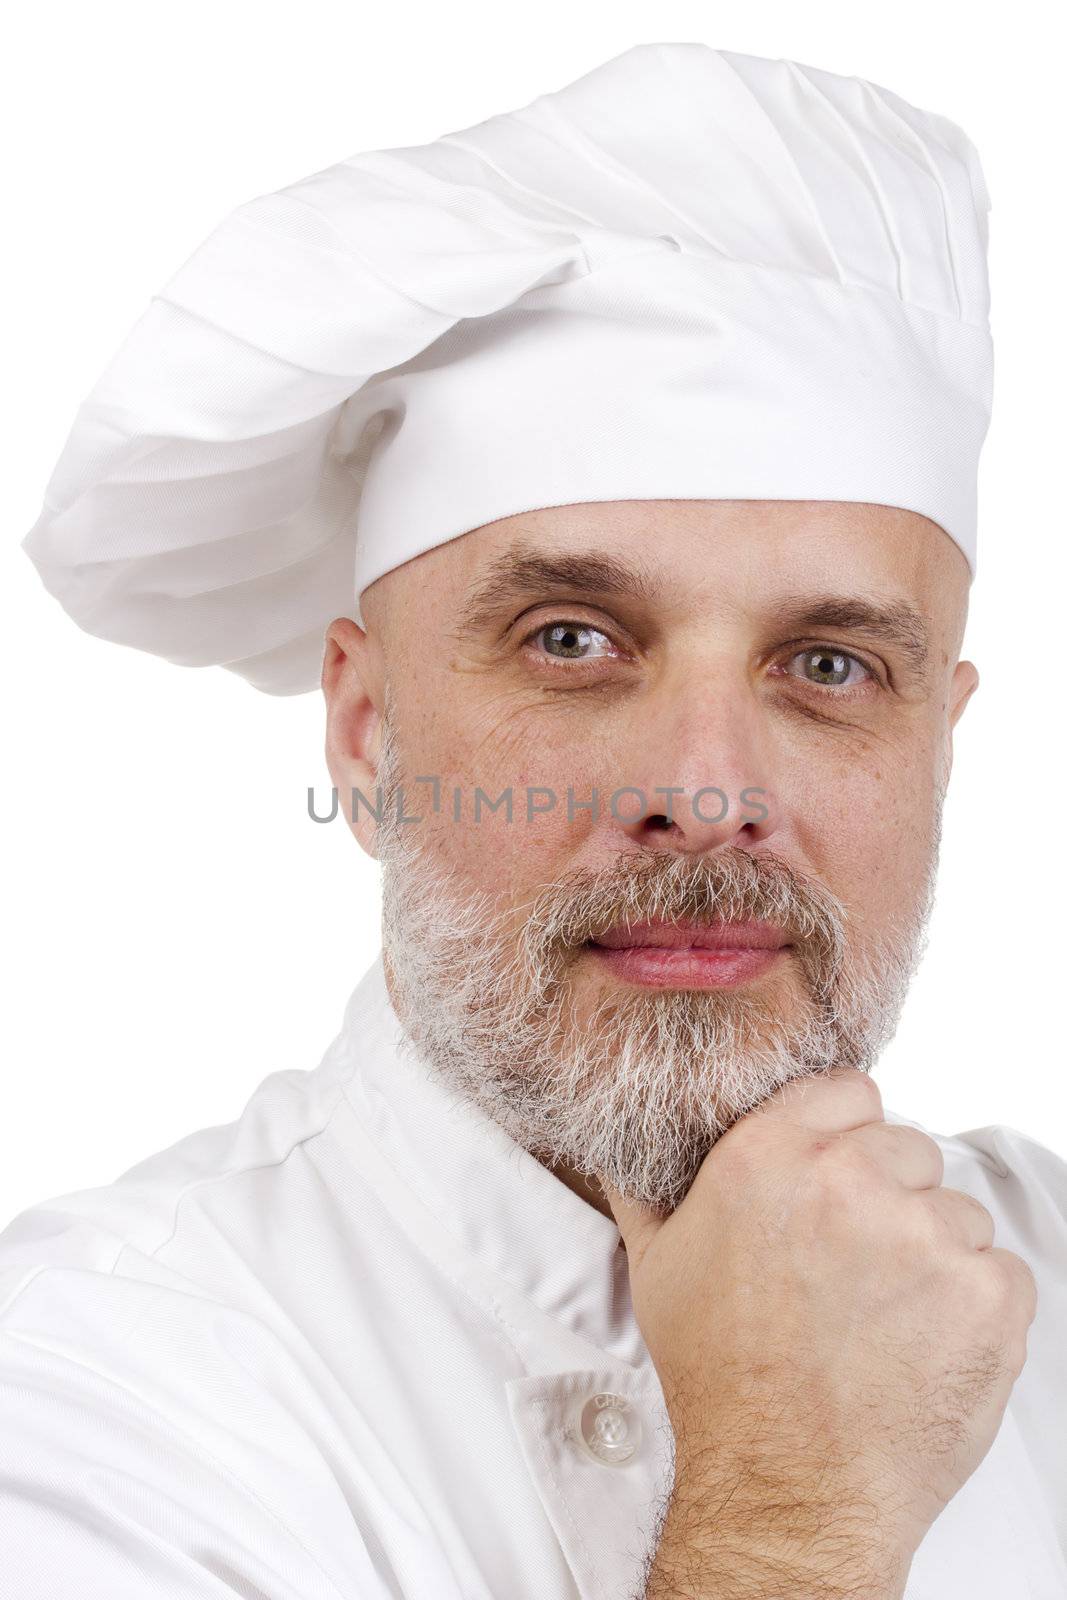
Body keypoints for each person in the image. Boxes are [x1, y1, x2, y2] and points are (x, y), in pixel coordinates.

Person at [4, 40, 1064, 1600]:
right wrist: (791, 1514)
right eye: (573, 640)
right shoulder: (99, 1389)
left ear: (937, 755)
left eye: (829, 665)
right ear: (368, 732)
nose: (705, 792)